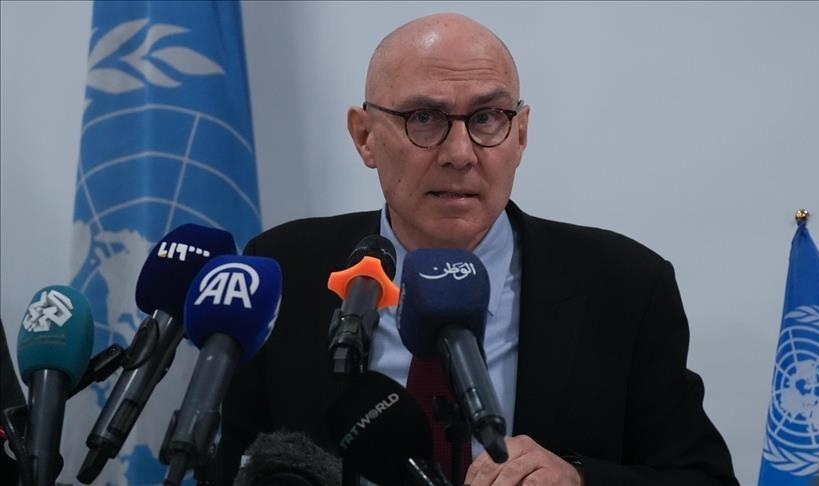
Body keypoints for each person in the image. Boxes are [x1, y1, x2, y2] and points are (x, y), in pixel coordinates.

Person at [217, 13, 738, 486]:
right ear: (365, 136)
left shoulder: (625, 285)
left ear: (521, 134)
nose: (460, 153)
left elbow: (704, 478)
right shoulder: (282, 271)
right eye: (424, 117)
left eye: (487, 117)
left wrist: (579, 480)